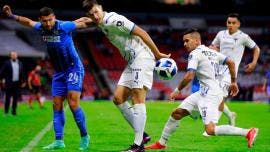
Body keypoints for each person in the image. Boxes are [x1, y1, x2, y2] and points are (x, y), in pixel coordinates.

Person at [145, 28, 259, 150]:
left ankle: (248, 132)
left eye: (187, 41)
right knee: (177, 113)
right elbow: (231, 62)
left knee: (210, 129)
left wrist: (176, 91)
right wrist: (234, 82)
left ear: (196, 41)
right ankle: (161, 143)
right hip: (204, 92)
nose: (184, 44)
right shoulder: (211, 52)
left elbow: (189, 76)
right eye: (184, 41)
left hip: (210, 94)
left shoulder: (194, 54)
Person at [82, 0, 170, 151]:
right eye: (91, 14)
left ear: (101, 8)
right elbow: (83, 21)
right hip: (132, 61)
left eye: (96, 12)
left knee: (137, 96)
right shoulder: (100, 22)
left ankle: (138, 145)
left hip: (142, 57)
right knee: (118, 98)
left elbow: (141, 32)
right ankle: (142, 135)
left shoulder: (114, 20)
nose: (95, 16)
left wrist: (157, 54)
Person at [2, 5, 90, 150]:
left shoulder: (64, 26)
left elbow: (83, 22)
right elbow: (28, 22)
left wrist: (100, 18)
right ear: (40, 20)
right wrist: (11, 15)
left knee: (73, 104)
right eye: (45, 21)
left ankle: (84, 136)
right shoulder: (40, 27)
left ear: (54, 17)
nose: (48, 24)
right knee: (56, 105)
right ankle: (59, 141)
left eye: (50, 20)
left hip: (74, 68)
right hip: (59, 72)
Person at [209, 13, 260, 127]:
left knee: (220, 97)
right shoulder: (221, 34)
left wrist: (254, 62)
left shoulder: (243, 37)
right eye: (229, 22)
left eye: (233, 23)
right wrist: (213, 49)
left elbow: (256, 48)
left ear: (238, 24)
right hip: (217, 70)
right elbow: (213, 47)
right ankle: (230, 115)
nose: (230, 25)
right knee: (215, 97)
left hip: (230, 72)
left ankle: (213, 125)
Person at [0, 51, 25, 116]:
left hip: (17, 83)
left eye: (15, 55)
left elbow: (22, 73)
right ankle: (6, 112)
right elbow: (2, 72)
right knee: (7, 98)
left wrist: (23, 81)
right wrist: (2, 80)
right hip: (9, 83)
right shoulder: (6, 63)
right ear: (10, 56)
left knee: (15, 98)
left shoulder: (20, 63)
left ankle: (14, 112)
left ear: (17, 55)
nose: (14, 56)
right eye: (12, 55)